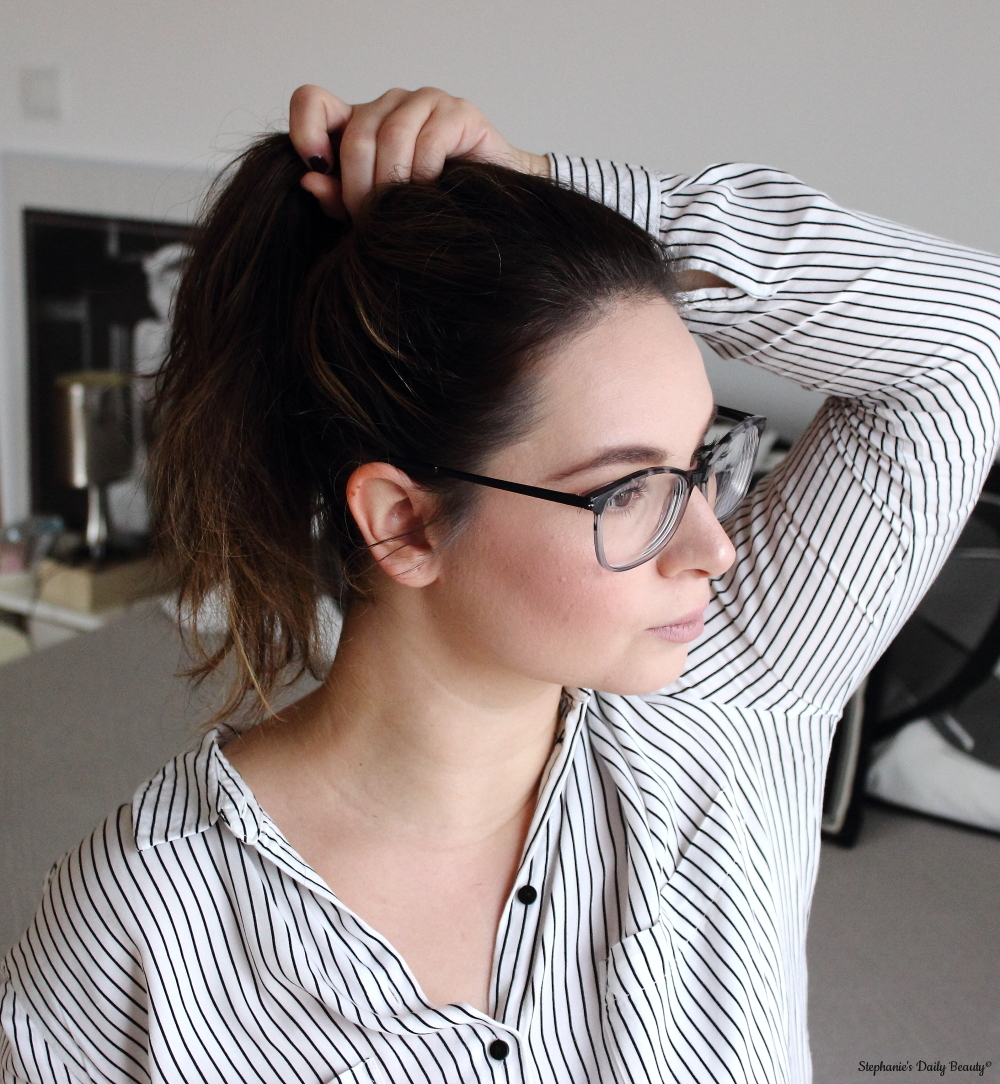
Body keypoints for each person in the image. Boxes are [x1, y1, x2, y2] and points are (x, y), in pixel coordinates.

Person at [2, 85, 999, 1084]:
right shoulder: (139, 933)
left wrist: (556, 190)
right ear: (405, 522)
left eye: (699, 463)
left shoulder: (727, 699)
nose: (713, 546)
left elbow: (968, 342)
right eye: (626, 490)